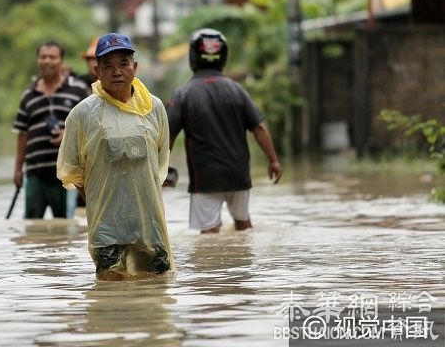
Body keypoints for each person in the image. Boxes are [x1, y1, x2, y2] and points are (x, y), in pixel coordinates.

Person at [56, 32, 175, 279]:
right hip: (107, 228)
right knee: (110, 293)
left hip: (150, 224)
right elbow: (73, 171)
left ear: (135, 68)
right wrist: (100, 208)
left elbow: (161, 159)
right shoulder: (83, 114)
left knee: (156, 292)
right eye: (108, 66)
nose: (117, 71)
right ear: (97, 70)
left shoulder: (154, 108)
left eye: (123, 64)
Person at [166, 28, 282, 234]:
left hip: (206, 177)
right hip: (239, 174)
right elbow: (259, 127)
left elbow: (168, 135)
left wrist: (161, 168)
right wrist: (273, 160)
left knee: (209, 236)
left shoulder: (183, 94)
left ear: (193, 56)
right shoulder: (237, 90)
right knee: (244, 226)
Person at [13, 41, 89, 219]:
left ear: (61, 61)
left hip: (66, 174)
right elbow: (22, 133)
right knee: (32, 224)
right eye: (43, 57)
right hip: (35, 171)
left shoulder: (78, 90)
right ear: (38, 60)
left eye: (52, 57)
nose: (47, 61)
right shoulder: (28, 94)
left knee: (65, 225)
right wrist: (18, 169)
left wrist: (67, 136)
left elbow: (91, 127)